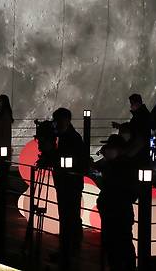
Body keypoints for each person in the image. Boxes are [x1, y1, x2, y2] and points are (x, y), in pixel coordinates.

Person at [95, 134, 138, 271]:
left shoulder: (119, 167)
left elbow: (115, 187)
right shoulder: (119, 165)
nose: (106, 151)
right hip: (117, 211)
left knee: (118, 245)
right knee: (121, 244)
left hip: (116, 211)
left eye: (109, 148)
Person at [51, 107, 86, 270]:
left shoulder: (71, 138)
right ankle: (69, 248)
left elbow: (78, 160)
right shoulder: (64, 137)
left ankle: (70, 249)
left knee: (69, 216)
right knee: (67, 216)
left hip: (70, 183)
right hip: (65, 182)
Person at [0, 94, 14, 158]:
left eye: (0, 101)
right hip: (2, 140)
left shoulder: (4, 113)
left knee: (0, 158)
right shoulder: (3, 112)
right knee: (1, 157)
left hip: (1, 140)